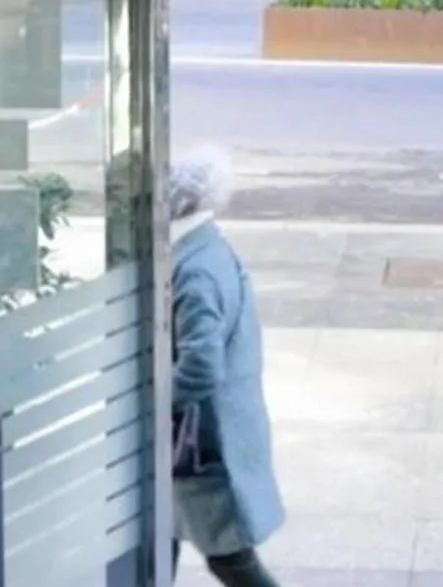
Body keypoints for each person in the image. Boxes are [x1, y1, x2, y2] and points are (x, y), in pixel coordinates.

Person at [167, 147, 286, 586]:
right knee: (165, 540)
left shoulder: (193, 269)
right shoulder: (209, 247)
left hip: (205, 443)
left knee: (229, 556)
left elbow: (201, 366)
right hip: (215, 433)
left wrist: (154, 405)